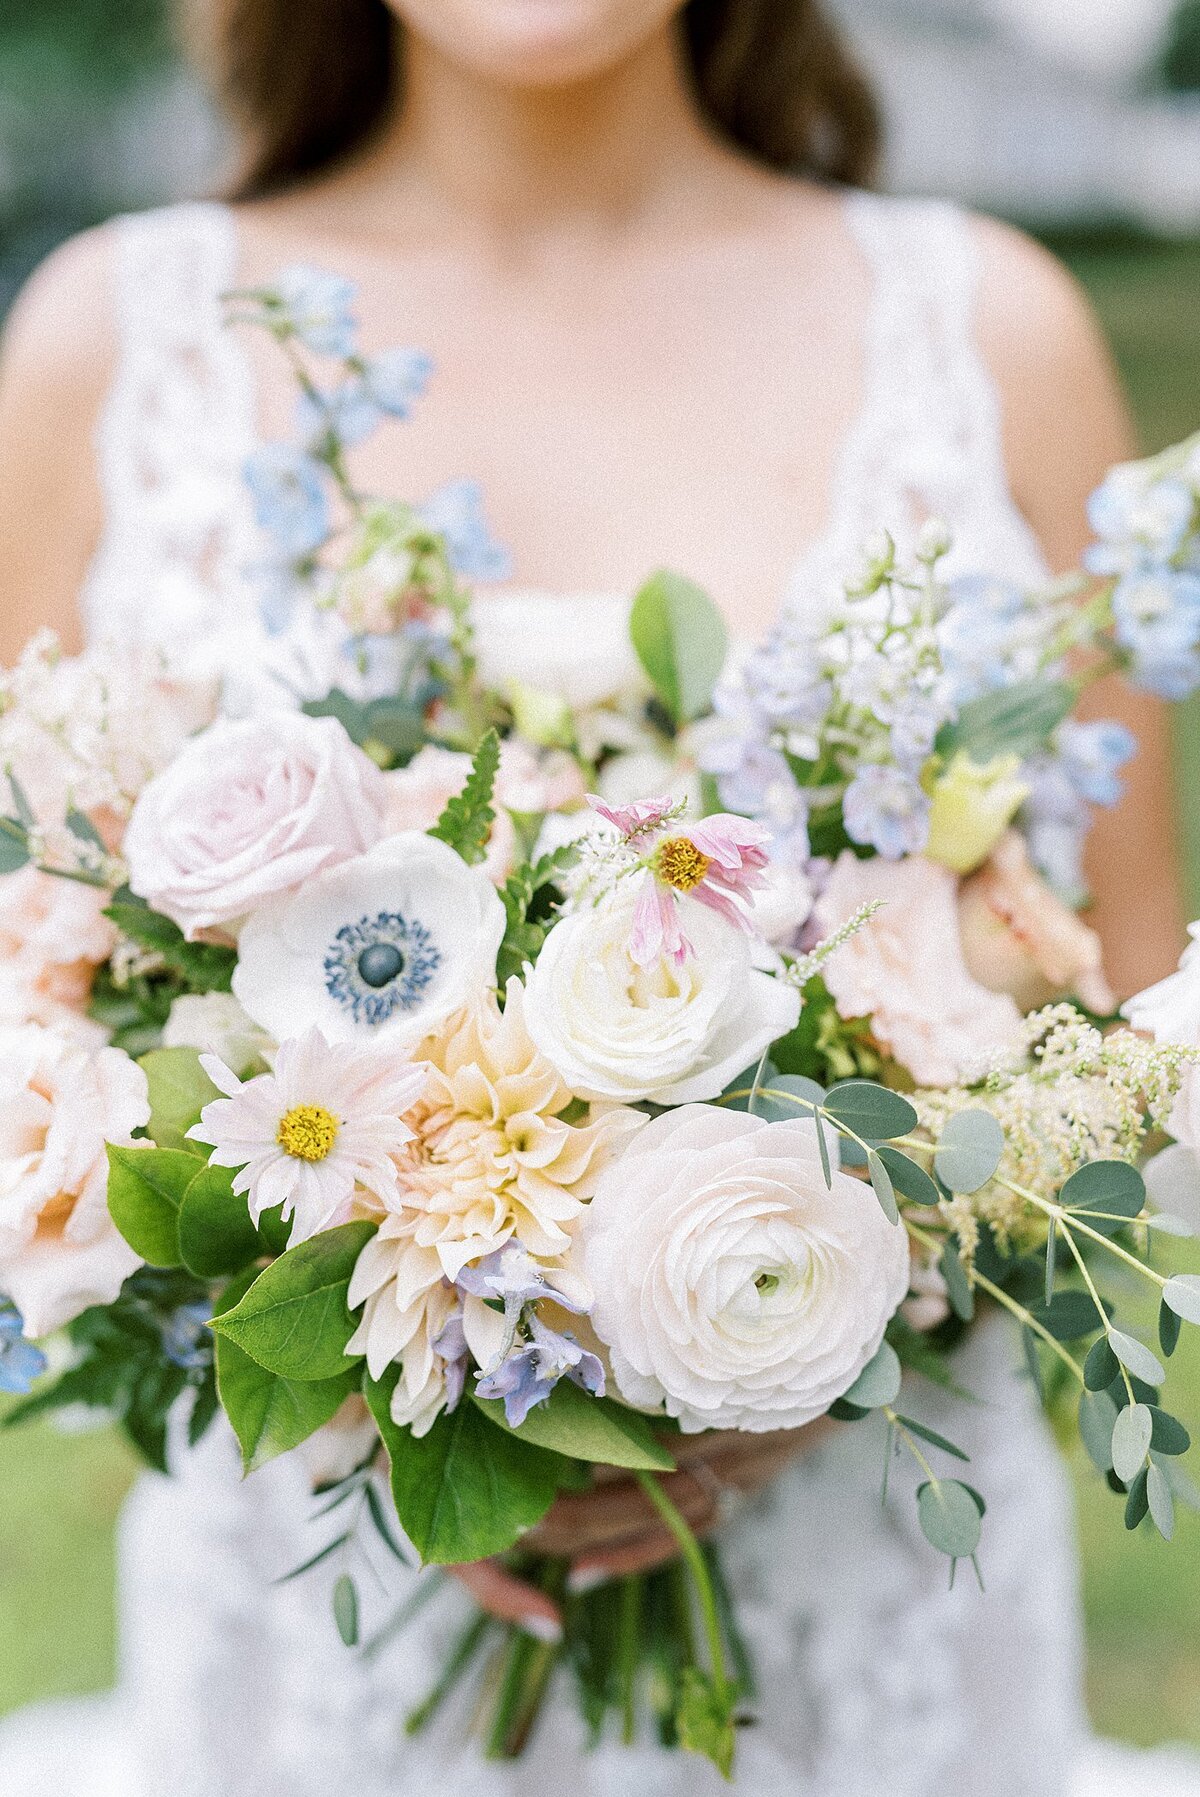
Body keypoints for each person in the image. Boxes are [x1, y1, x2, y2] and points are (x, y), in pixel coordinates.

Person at [0, 3, 1192, 1792]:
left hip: (872, 1632)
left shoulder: (992, 332)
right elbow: (39, 975)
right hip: (312, 1666)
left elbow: (1129, 1031)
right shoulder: (114, 341)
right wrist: (364, 1367)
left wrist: (797, 1313)